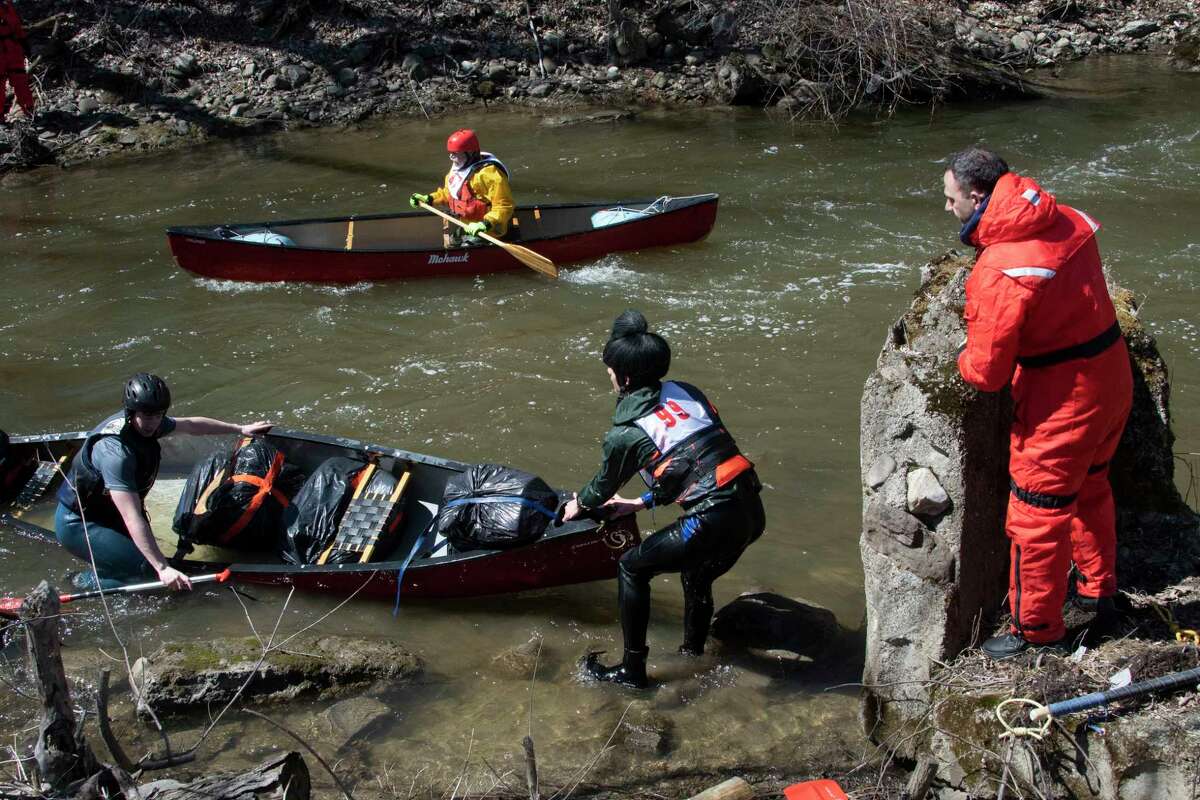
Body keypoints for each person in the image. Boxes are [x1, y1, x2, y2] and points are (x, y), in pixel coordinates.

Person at [944, 147, 1133, 660]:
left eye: (951, 198)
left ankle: (1038, 631)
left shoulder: (1001, 268)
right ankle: (1099, 593)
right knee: (1092, 486)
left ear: (978, 196)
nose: (947, 207)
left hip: (1063, 397)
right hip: (1112, 371)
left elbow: (986, 374)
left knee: (1037, 514)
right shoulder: (1063, 217)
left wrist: (957, 359)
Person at [561, 310, 765, 688]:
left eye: (609, 371)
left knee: (631, 568)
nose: (608, 376)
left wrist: (581, 505)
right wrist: (640, 504)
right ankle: (692, 654)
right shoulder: (688, 392)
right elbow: (695, 464)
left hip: (713, 518)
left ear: (623, 377)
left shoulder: (626, 433)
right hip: (751, 510)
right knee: (696, 573)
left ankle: (632, 671)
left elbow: (601, 487)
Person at [55, 373, 273, 590]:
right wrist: (162, 568)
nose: (153, 423)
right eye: (147, 416)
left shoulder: (150, 423)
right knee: (146, 574)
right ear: (131, 412)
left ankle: (110, 568)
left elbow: (190, 425)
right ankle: (80, 583)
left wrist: (240, 429)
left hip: (110, 514)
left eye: (159, 415)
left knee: (148, 566)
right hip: (80, 522)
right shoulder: (115, 454)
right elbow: (131, 517)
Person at [408, 129, 514, 246]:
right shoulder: (459, 168)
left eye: (455, 153)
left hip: (489, 230)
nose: (451, 157)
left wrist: (486, 224)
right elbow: (449, 194)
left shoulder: (489, 174)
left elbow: (504, 205)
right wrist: (429, 199)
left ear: (470, 153)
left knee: (465, 247)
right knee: (452, 242)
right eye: (450, 153)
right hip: (467, 225)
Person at [0, 0, 34, 123]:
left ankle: (28, 112)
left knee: (21, 81)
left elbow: (16, 26)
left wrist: (24, 44)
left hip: (13, 50)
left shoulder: (7, 5)